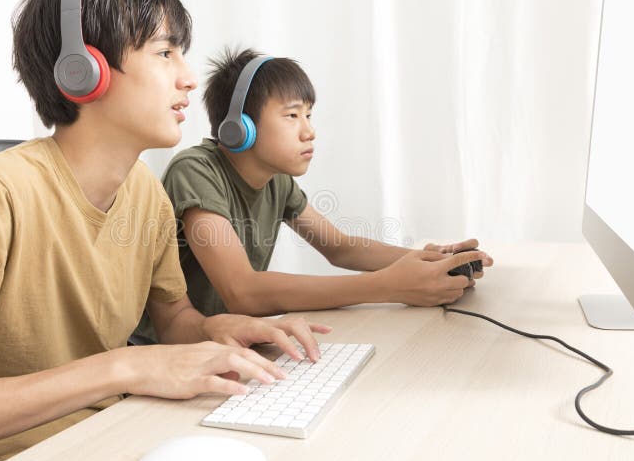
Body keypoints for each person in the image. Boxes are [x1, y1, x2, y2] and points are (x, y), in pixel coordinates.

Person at [0, 0, 329, 461]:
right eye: (165, 53)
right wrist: (122, 368)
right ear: (83, 70)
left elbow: (173, 319)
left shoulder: (146, 194)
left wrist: (219, 330)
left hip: (100, 443)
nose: (189, 79)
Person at [133, 47, 493, 343]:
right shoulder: (195, 171)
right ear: (238, 127)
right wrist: (386, 286)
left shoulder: (277, 181)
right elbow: (242, 291)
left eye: (309, 115)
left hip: (229, 346)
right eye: (292, 115)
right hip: (170, 350)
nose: (309, 131)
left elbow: (340, 247)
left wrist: (427, 260)